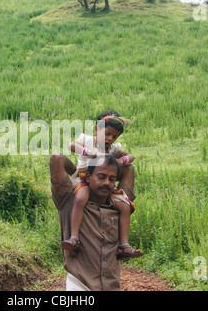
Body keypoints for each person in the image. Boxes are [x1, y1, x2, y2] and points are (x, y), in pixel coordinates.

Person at [61, 111, 143, 260]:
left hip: (106, 184)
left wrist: (120, 161)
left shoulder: (113, 149)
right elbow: (71, 145)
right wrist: (90, 153)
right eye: (107, 133)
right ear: (96, 129)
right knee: (80, 199)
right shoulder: (87, 141)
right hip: (85, 180)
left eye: (114, 136)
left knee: (124, 205)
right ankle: (74, 237)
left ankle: (124, 244)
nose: (110, 139)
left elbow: (131, 156)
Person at [50, 153, 132, 291]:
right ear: (88, 177)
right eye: (101, 177)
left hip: (112, 287)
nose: (107, 182)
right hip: (80, 284)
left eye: (112, 179)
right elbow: (56, 159)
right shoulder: (69, 201)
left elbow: (129, 169)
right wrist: (79, 172)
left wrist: (110, 160)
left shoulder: (119, 205)